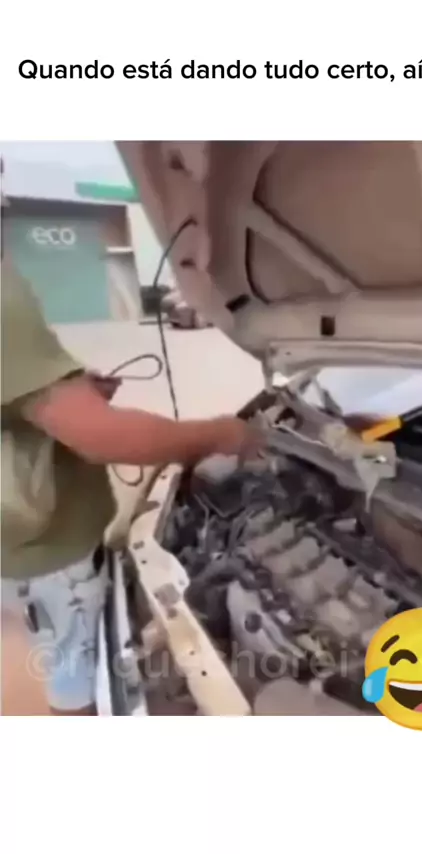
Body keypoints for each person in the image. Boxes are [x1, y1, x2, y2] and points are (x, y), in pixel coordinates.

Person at [1, 258, 261, 715]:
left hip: (18, 545)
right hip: (50, 553)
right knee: (75, 675)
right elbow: (101, 437)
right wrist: (222, 434)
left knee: (56, 644)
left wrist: (62, 393)